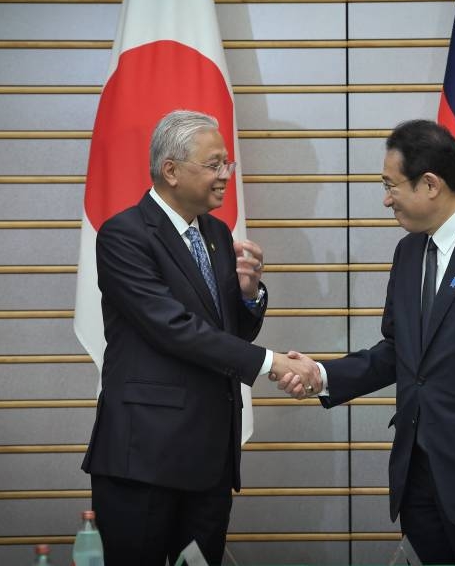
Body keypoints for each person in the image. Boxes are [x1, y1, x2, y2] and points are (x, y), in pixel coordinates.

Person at [276, 119, 455, 565]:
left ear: (430, 184)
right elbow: (399, 351)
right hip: (419, 475)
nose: (386, 198)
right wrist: (323, 374)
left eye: (391, 185)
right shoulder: (409, 252)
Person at [81, 109, 316, 566]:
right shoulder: (125, 235)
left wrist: (248, 297)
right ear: (170, 170)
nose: (225, 176)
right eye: (214, 165)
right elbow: (173, 329)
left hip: (209, 457)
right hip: (145, 457)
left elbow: (224, 331)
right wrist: (272, 363)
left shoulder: (215, 232)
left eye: (226, 164)